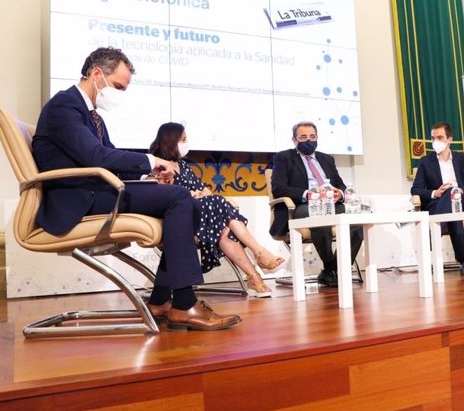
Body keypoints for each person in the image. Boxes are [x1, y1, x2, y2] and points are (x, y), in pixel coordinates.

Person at [32, 47, 241, 331]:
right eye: (118, 86)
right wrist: (152, 160)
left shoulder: (91, 114)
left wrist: (147, 176)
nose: (119, 93)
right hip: (79, 199)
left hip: (96, 191)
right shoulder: (64, 107)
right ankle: (184, 303)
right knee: (180, 198)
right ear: (96, 74)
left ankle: (161, 299)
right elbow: (96, 157)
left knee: (185, 202)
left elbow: (108, 157)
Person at [148, 122, 285, 298]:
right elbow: (158, 193)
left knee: (223, 230)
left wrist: (203, 193)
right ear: (170, 140)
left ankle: (254, 276)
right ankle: (259, 255)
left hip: (201, 214)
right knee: (218, 208)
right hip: (178, 217)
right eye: (183, 139)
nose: (186, 143)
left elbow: (202, 189)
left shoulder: (184, 166)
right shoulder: (157, 164)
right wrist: (189, 195)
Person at [270, 121, 364, 287]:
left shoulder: (326, 159)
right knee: (319, 219)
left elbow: (340, 184)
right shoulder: (283, 158)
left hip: (331, 204)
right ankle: (332, 267)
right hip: (302, 207)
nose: (309, 140)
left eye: (312, 137)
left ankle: (333, 269)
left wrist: (339, 193)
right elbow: (278, 188)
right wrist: (308, 194)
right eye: (303, 137)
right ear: (294, 140)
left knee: (357, 224)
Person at [411, 122, 464, 275]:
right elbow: (415, 189)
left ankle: (432, 238)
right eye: (433, 138)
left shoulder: (463, 159)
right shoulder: (425, 162)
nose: (436, 142)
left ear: (450, 139)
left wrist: (459, 190)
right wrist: (435, 192)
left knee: (453, 194)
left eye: (440, 137)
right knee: (450, 200)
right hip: (436, 204)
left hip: (460, 202)